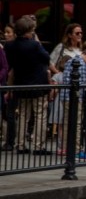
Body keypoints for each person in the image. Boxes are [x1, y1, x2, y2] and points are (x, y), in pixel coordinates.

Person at [4, 15, 51, 155]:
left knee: (23, 115)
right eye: (32, 30)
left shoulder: (10, 45)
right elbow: (46, 58)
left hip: (20, 83)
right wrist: (37, 41)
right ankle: (38, 146)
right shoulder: (34, 45)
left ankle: (20, 144)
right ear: (28, 31)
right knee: (40, 115)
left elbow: (10, 64)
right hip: (37, 84)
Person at [1, 23, 17, 150]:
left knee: (9, 113)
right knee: (7, 113)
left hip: (11, 83)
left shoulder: (11, 47)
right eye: (5, 32)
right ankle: (8, 139)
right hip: (6, 82)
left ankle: (10, 140)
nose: (6, 34)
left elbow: (7, 68)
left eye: (8, 32)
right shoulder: (5, 47)